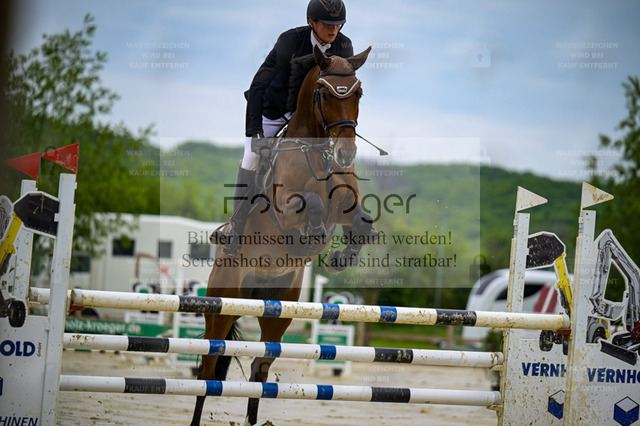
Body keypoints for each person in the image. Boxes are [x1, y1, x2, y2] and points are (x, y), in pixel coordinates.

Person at [212, 0, 354, 256]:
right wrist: (254, 131)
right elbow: (258, 84)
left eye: (338, 24)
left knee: (341, 162)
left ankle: (350, 231)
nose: (334, 30)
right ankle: (235, 227)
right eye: (327, 24)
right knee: (252, 158)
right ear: (312, 22)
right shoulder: (290, 41)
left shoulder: (344, 46)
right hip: (274, 111)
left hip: (309, 118)